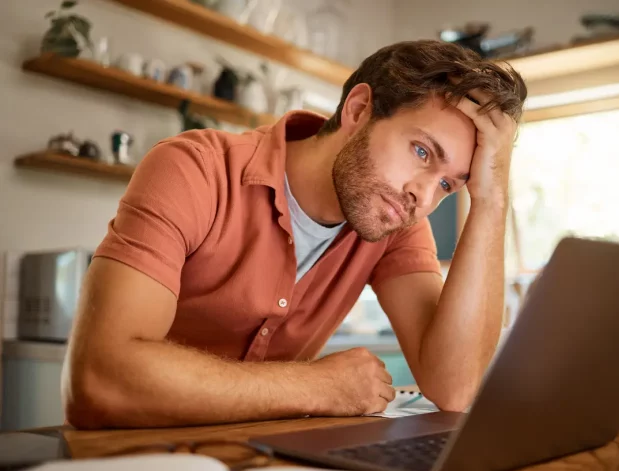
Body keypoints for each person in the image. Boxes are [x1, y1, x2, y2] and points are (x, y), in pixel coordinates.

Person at [61, 39, 527, 429]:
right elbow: (99, 379)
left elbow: (455, 388)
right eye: (423, 152)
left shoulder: (395, 222)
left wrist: (490, 200)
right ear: (359, 110)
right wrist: (317, 385)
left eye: (449, 184)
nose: (423, 197)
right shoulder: (194, 170)